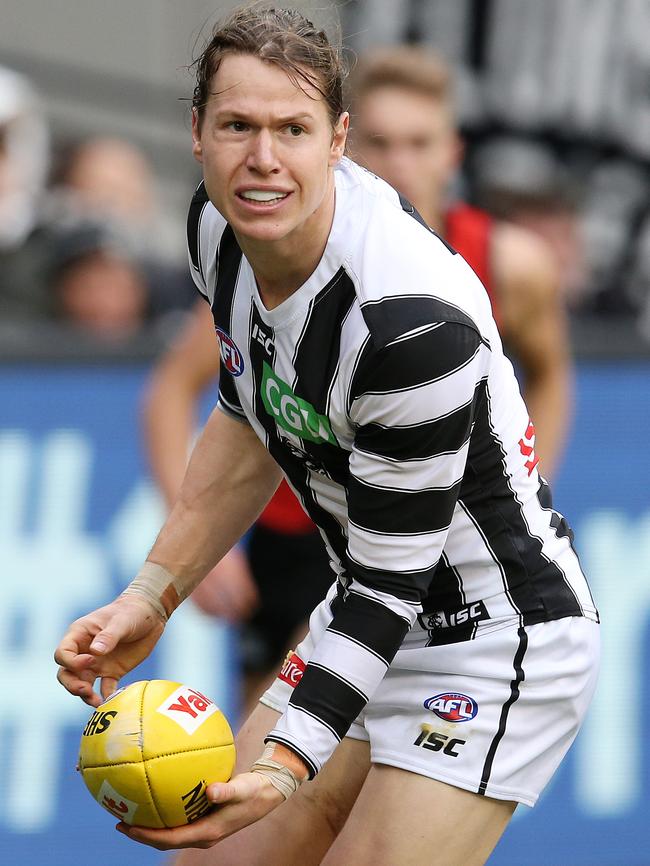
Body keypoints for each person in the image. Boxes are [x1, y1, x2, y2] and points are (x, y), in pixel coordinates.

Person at [54, 7, 599, 866]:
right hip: (362, 617)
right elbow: (247, 419)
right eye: (237, 125)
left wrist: (282, 766)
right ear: (195, 132)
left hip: (488, 642)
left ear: (336, 140)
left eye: (292, 130)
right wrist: (152, 594)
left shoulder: (407, 326)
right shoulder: (218, 233)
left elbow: (390, 585)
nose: (262, 160)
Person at [349, 46, 572, 478]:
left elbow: (550, 376)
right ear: (346, 147)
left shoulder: (511, 266)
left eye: (419, 143)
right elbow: (186, 386)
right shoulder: (296, 256)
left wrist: (525, 490)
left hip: (451, 526)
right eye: (381, 143)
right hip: (304, 527)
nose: (400, 164)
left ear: (452, 153)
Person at [142, 298, 335, 716]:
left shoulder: (495, 267)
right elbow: (172, 389)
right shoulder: (273, 268)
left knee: (307, 728)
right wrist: (196, 542)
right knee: (266, 733)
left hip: (400, 535)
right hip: (289, 534)